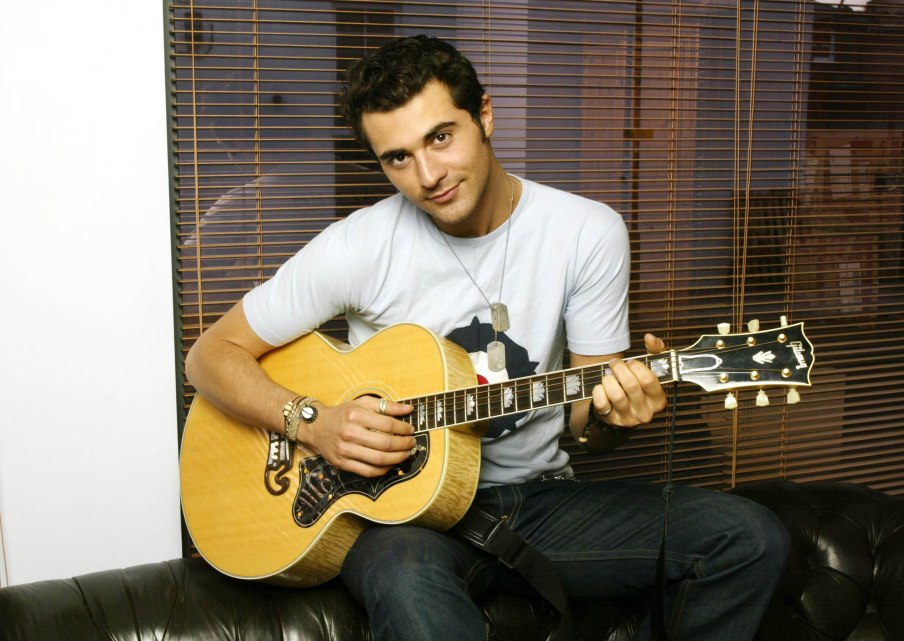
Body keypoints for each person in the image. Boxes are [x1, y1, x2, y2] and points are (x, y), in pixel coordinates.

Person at [185, 34, 789, 641]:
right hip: (401, 521)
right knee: (405, 578)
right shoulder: (357, 247)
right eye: (397, 158)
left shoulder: (586, 233)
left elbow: (588, 422)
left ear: (485, 116)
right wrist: (310, 422)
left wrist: (614, 414)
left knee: (749, 538)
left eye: (440, 137)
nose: (427, 175)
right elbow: (210, 356)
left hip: (541, 502)